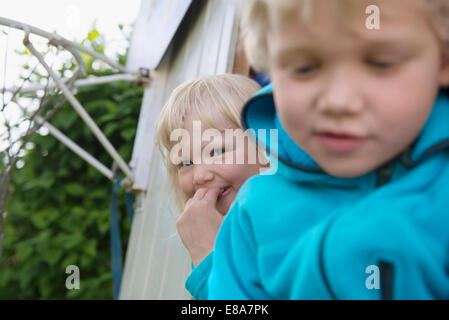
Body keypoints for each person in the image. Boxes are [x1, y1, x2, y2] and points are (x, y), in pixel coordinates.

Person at [207, 0, 449, 299]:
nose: (338, 101)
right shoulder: (251, 215)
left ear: (443, 60)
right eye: (304, 67)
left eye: (380, 62)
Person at [155, 73, 268, 299]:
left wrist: (208, 256)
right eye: (185, 162)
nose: (199, 176)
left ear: (266, 145)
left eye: (217, 151)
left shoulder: (291, 228)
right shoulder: (216, 234)